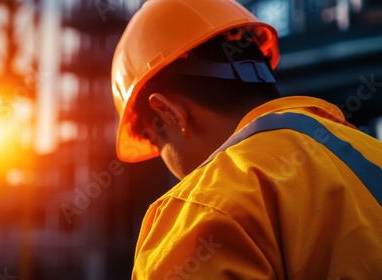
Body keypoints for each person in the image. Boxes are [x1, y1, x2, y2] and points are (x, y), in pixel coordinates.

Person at [110, 0, 382, 279]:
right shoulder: (370, 152)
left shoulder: (202, 212)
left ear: (168, 113)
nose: (162, 156)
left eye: (152, 139)